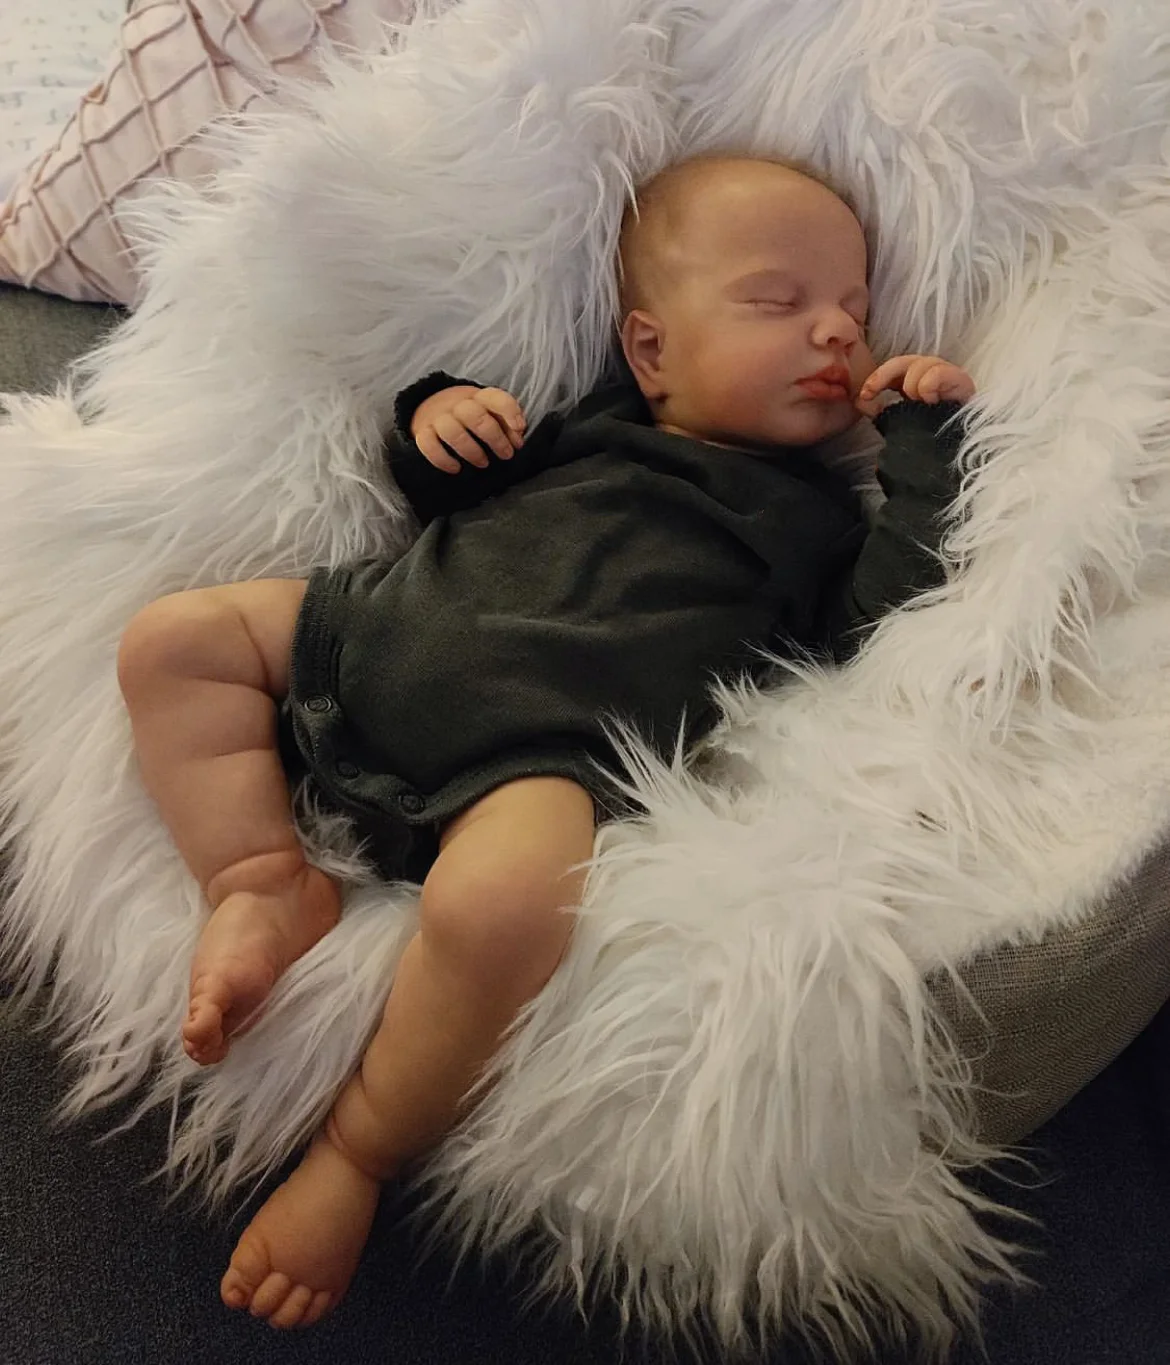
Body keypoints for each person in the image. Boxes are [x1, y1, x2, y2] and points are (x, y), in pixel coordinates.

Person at [115, 153, 976, 1329]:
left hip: (537, 753)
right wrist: (439, 418)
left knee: (507, 909)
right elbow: (441, 485)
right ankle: (261, 878)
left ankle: (357, 1150)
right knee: (174, 643)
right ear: (651, 350)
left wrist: (925, 450)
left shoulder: (811, 520)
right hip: (377, 629)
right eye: (779, 302)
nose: (836, 331)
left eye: (855, 311)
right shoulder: (590, 427)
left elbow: (878, 621)